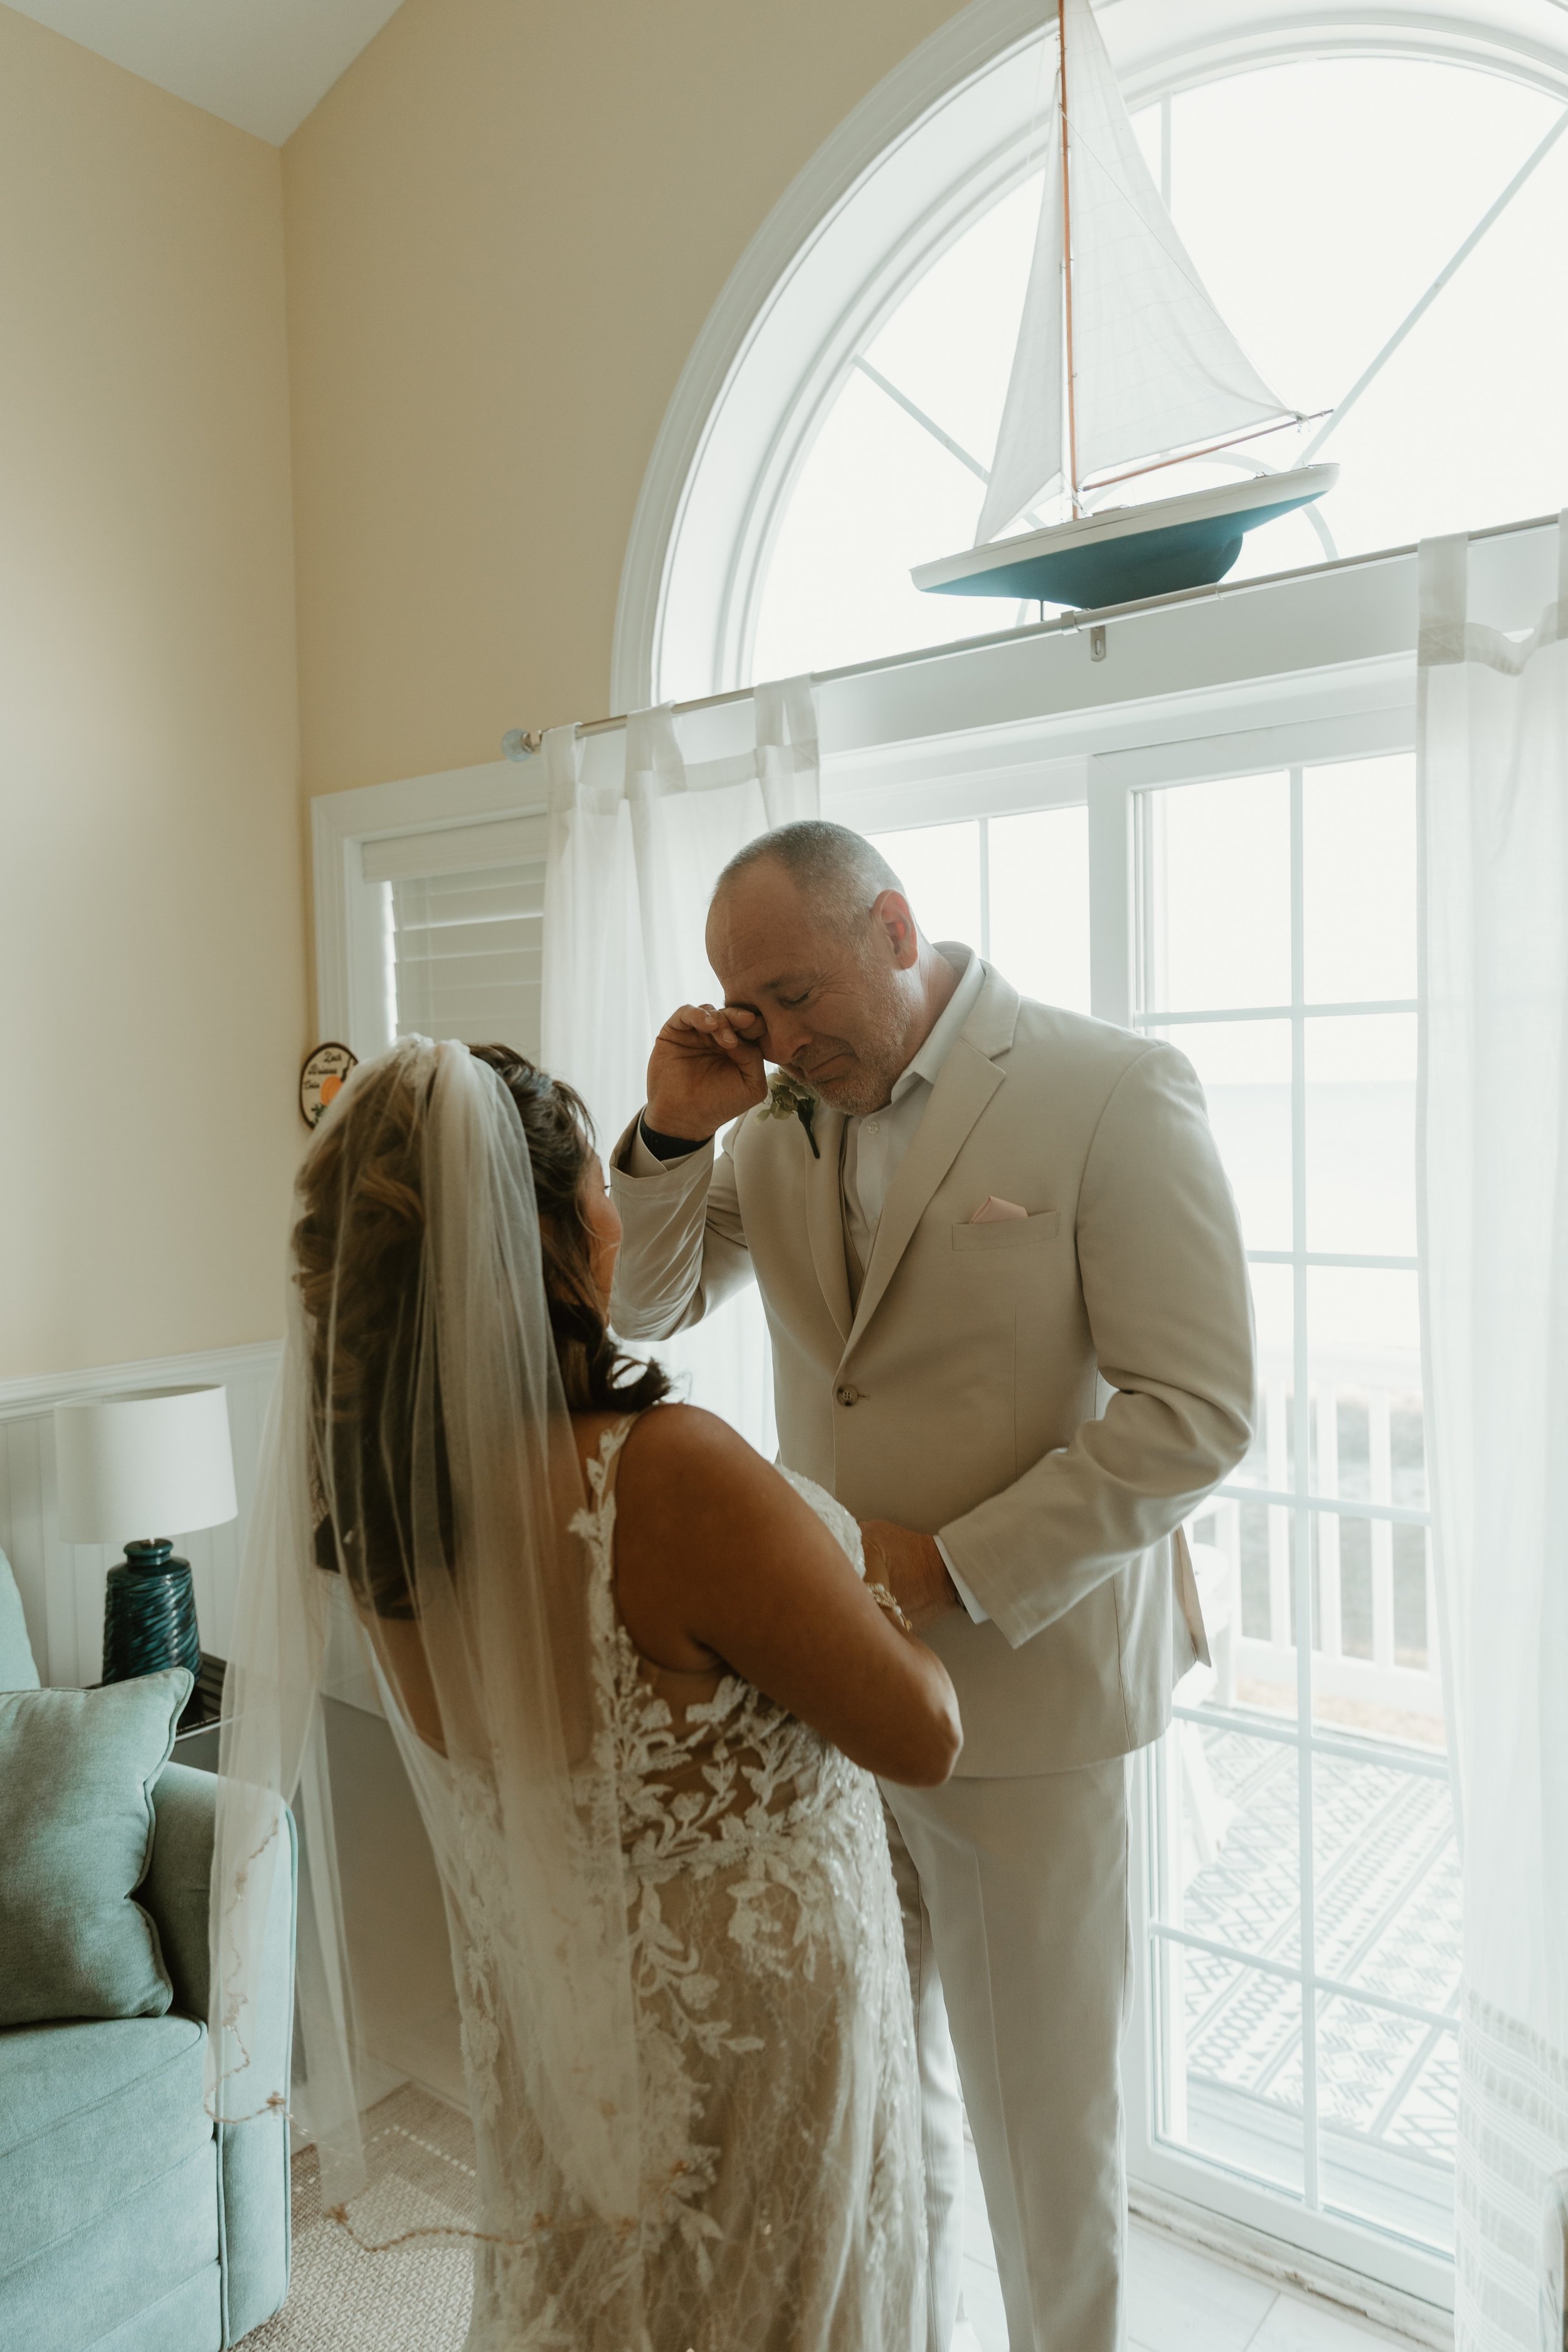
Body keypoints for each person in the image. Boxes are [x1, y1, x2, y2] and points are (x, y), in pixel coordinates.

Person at [608, 821, 1256, 2352]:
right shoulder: (769, 1121)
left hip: (1030, 1707)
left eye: (792, 990)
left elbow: (1196, 1412)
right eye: (744, 1005)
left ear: (894, 927)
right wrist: (671, 1128)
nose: (771, 1033)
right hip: (822, 1705)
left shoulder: (1109, 1090)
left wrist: (946, 1565)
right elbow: (643, 1302)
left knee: (1047, 2148)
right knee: (871, 2114)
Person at [207, 1035, 959, 2352]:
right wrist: (880, 1579)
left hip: (568, 2023)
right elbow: (921, 1731)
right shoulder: (664, 1478)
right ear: (551, 1235)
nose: (619, 1212)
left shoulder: (380, 1511)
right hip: (746, 2030)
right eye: (597, 1191)